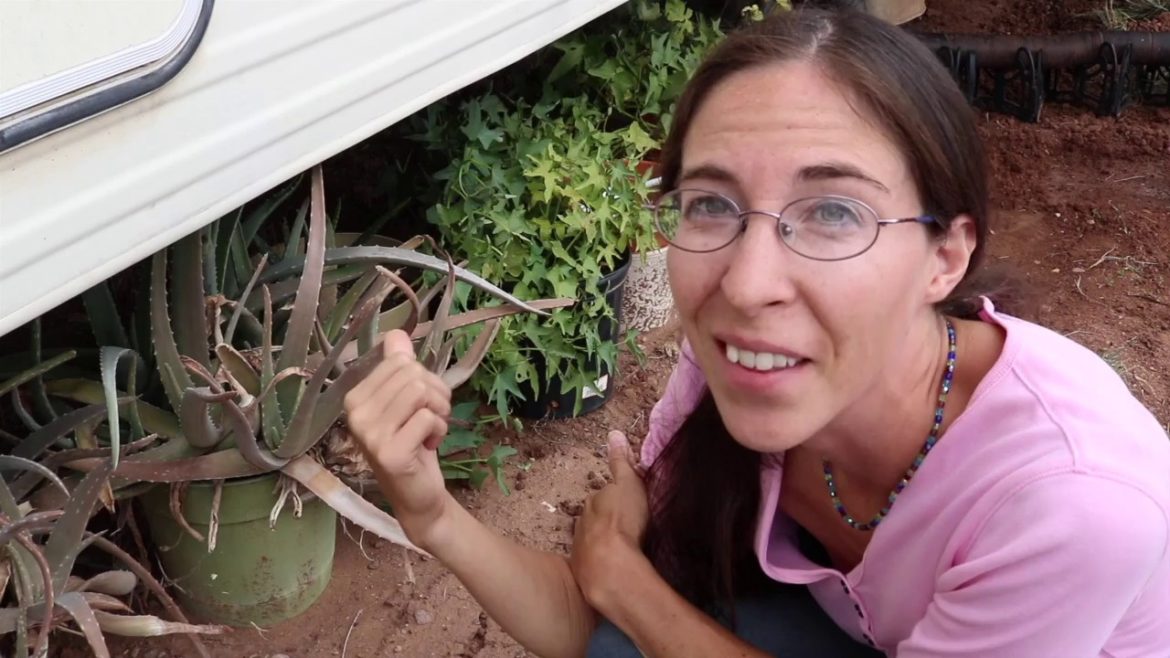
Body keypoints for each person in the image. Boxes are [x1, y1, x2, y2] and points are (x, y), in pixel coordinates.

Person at [343, 8, 1170, 657]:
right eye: (711, 204)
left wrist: (626, 581)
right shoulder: (739, 371)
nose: (745, 284)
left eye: (834, 213)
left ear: (944, 258)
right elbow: (590, 632)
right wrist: (433, 513)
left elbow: (618, 604)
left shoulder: (1070, 505)